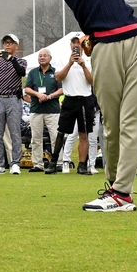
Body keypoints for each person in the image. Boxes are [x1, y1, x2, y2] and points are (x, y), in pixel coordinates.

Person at [43, 0, 137, 211]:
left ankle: (122, 193)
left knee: (134, 121)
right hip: (106, 47)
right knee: (112, 124)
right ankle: (114, 188)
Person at [0, 33, 27, 175]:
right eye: (5, 43)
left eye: (10, 42)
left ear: (16, 45)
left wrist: (11, 59)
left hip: (13, 98)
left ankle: (15, 163)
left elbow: (22, 72)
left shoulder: (20, 61)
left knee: (15, 132)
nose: (7, 45)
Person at [53, 35, 95, 175]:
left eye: (79, 43)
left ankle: (82, 165)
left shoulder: (89, 60)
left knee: (84, 134)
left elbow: (92, 81)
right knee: (61, 131)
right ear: (70, 46)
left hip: (85, 100)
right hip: (69, 99)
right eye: (74, 43)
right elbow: (58, 78)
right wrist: (70, 63)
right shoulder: (63, 59)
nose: (76, 46)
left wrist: (83, 66)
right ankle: (53, 162)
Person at [24, 48, 62, 173]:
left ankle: (58, 162)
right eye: (40, 55)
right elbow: (27, 89)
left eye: (45, 55)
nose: (42, 57)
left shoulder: (56, 72)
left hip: (52, 110)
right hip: (36, 109)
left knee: (55, 137)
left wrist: (49, 96)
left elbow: (61, 89)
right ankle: (38, 164)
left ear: (50, 58)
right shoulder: (33, 72)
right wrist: (38, 94)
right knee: (36, 138)